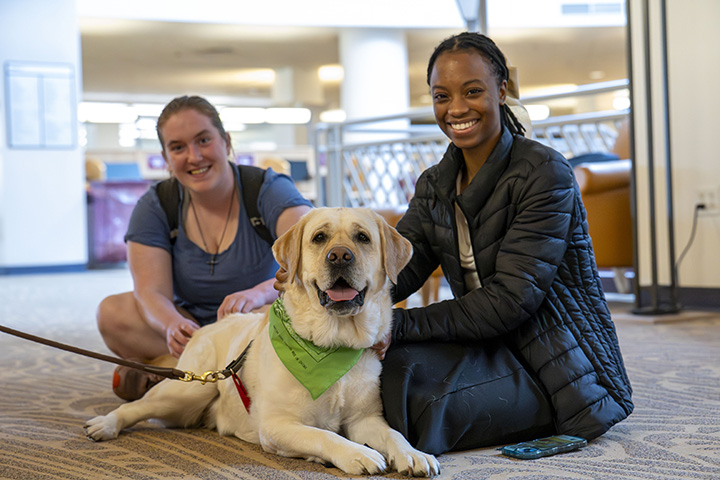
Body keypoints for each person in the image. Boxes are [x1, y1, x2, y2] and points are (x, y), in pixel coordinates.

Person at [378, 32, 634, 455]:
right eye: (442, 96)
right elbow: (397, 266)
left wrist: (393, 325)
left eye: (472, 91)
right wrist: (339, 291)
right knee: (378, 371)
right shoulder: (435, 184)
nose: (456, 108)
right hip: (484, 343)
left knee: (413, 402)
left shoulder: (545, 172)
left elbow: (508, 302)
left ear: (502, 90)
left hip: (558, 364)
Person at [96, 95, 312, 400]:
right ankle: (216, 376)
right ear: (166, 157)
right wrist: (171, 325)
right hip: (192, 330)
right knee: (112, 312)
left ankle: (175, 374)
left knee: (289, 318)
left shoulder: (268, 189)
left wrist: (256, 294)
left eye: (203, 140)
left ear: (225, 142)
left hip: (254, 319)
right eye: (178, 147)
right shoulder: (156, 204)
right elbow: (151, 292)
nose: (194, 157)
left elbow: (309, 261)